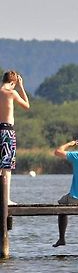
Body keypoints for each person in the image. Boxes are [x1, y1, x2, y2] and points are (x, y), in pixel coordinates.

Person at [0, 71, 30, 205]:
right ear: (13, 82)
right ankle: (6, 199)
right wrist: (21, 87)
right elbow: (26, 106)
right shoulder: (11, 93)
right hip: (7, 131)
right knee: (6, 167)